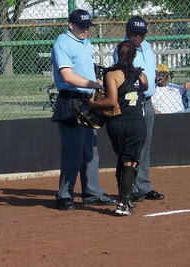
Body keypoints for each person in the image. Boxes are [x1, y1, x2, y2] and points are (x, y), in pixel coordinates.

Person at [51, 9, 117, 210]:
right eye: (81, 26)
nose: (86, 30)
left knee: (90, 151)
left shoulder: (85, 43)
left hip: (87, 100)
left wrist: (98, 81)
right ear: (71, 25)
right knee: (74, 153)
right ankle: (64, 195)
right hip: (71, 101)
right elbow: (67, 76)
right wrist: (94, 84)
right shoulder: (62, 42)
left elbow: (85, 71)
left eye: (88, 26)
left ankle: (92, 193)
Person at [89, 40, 148, 216]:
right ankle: (123, 203)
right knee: (131, 161)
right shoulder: (141, 76)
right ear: (135, 56)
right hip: (136, 122)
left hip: (116, 122)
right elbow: (145, 87)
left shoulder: (112, 74)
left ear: (117, 54)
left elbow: (111, 101)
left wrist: (93, 103)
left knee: (122, 159)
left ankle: (125, 197)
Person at [113, 16, 165, 202]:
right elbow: (124, 74)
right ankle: (130, 188)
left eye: (141, 33)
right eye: (134, 33)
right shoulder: (124, 49)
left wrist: (157, 78)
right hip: (132, 102)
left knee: (146, 146)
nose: (137, 36)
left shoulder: (148, 48)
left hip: (148, 101)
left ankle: (143, 186)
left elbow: (148, 70)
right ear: (127, 31)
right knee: (132, 147)